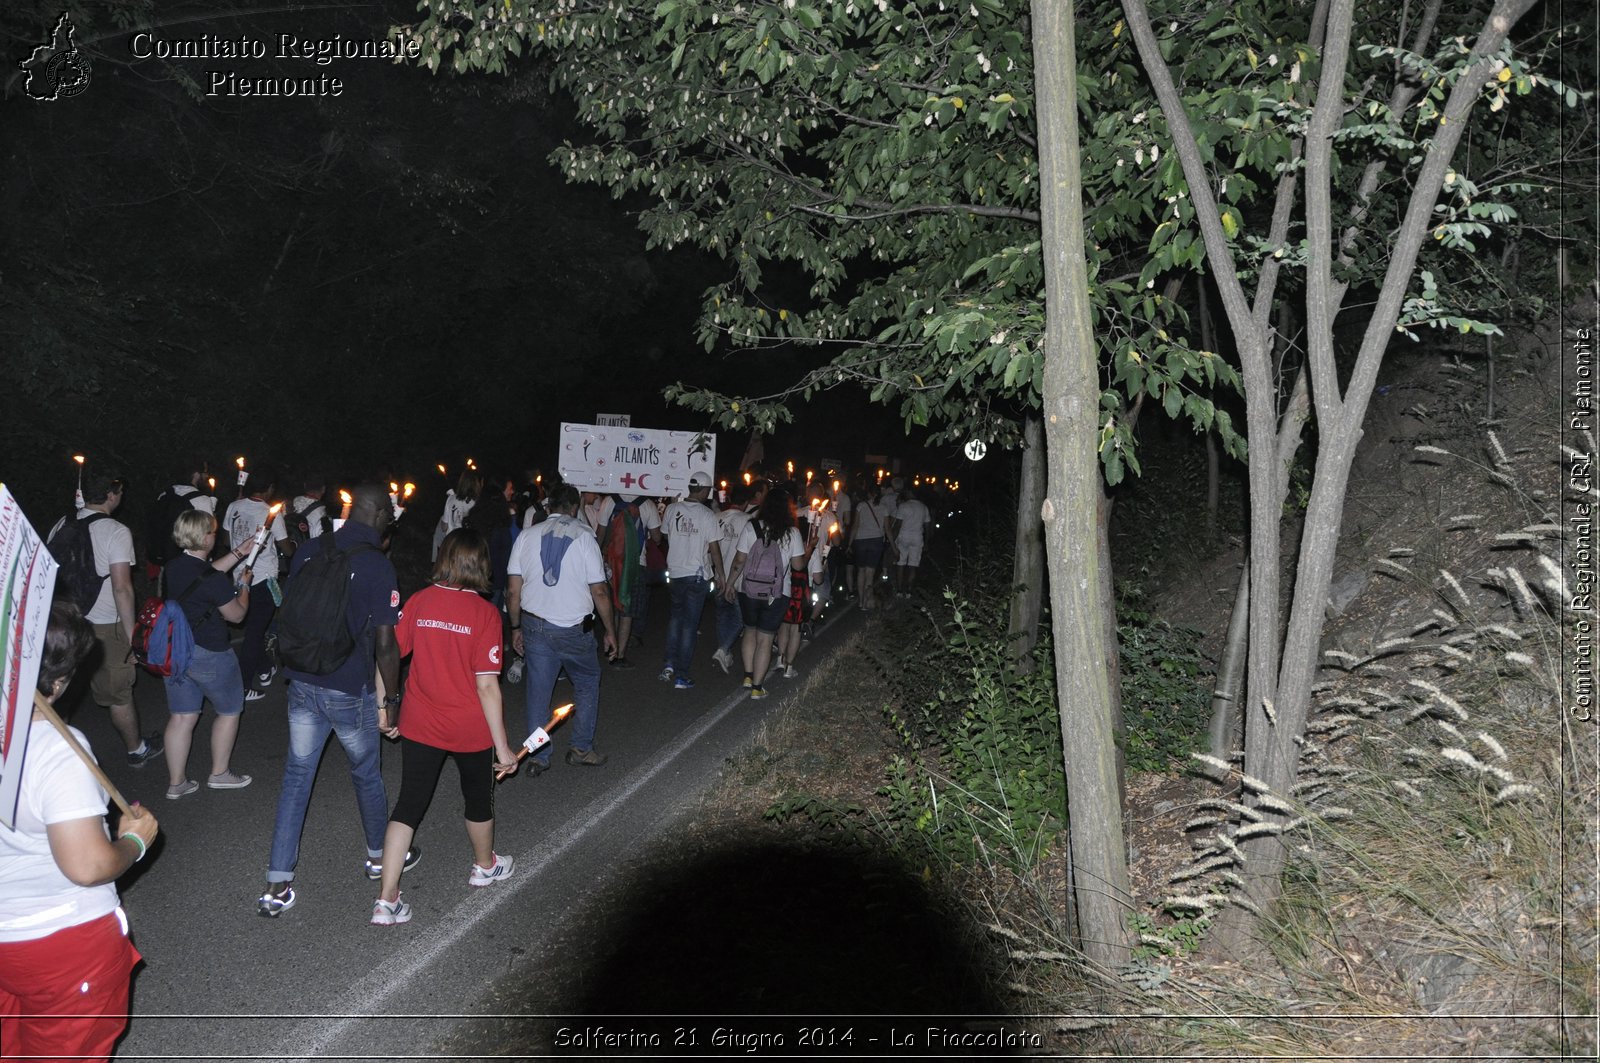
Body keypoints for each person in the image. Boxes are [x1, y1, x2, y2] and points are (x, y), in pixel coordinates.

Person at [0, 602, 160, 1062]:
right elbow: (87, 866)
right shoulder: (56, 749)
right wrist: (134, 840)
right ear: (57, 680)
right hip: (61, 944)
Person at [258, 485, 413, 917]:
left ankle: (277, 884)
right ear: (379, 515)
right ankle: (380, 858)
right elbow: (387, 645)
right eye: (390, 515)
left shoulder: (309, 549)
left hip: (303, 682)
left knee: (296, 778)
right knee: (366, 773)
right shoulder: (378, 566)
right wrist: (393, 700)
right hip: (348, 688)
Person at [371, 529, 519, 925]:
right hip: (469, 728)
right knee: (477, 798)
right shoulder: (486, 614)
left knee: (409, 803)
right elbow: (487, 685)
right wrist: (503, 748)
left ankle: (386, 900)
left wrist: (382, 709)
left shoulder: (420, 601)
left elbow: (387, 654)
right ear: (482, 565)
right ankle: (484, 866)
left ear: (445, 558)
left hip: (421, 721)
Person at [48, 473, 162, 766]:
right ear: (113, 494)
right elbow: (122, 587)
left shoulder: (62, 525)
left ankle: (59, 755)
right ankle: (136, 750)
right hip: (105, 625)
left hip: (65, 622)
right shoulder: (116, 531)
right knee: (118, 694)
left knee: (62, 689)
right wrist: (132, 635)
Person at [505, 483, 617, 775]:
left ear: (550, 505)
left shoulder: (527, 536)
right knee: (587, 681)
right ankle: (580, 748)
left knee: (538, 691)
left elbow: (513, 591)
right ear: (574, 507)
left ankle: (538, 756)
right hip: (573, 629)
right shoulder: (585, 536)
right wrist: (611, 630)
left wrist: (515, 627)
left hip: (535, 625)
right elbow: (600, 592)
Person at [161, 510, 256, 799]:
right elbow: (237, 616)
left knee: (181, 717)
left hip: (176, 651)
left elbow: (205, 573)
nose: (216, 536)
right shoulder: (215, 582)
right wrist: (244, 586)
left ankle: (177, 783)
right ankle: (220, 773)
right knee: (229, 710)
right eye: (213, 532)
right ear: (204, 538)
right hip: (210, 653)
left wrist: (240, 552)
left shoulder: (174, 567)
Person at [723, 488, 809, 700]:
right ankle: (757, 688)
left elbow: (739, 560)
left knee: (749, 631)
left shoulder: (751, 526)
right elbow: (798, 566)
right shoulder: (792, 533)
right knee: (765, 639)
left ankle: (748, 676)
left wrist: (729, 584)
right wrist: (809, 550)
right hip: (778, 593)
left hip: (749, 590)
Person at [221, 466, 287, 701]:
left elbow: (226, 539)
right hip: (263, 581)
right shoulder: (272, 513)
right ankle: (242, 686)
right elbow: (286, 547)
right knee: (254, 634)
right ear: (270, 489)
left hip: (240, 578)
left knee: (253, 629)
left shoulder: (234, 506)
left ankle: (264, 668)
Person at [658, 472, 722, 690]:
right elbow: (714, 548)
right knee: (689, 626)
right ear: (704, 490)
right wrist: (721, 575)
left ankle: (668, 665)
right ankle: (681, 675)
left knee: (675, 619)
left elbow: (666, 536)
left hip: (675, 573)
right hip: (697, 574)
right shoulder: (707, 515)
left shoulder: (672, 509)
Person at [143, 462, 215, 583]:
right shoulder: (201, 500)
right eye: (205, 472)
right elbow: (208, 533)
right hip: (191, 565)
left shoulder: (165, 494)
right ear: (196, 474)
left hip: (165, 560)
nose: (207, 476)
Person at [710, 483, 753, 674]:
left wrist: (716, 574)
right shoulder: (749, 521)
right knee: (740, 618)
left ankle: (724, 652)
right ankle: (723, 649)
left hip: (718, 576)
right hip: (737, 579)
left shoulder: (716, 517)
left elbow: (708, 549)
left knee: (722, 615)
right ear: (746, 502)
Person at [849, 481, 890, 611]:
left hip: (860, 540)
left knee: (861, 570)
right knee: (870, 573)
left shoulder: (861, 506)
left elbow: (855, 526)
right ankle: (868, 601)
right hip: (876, 541)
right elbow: (887, 528)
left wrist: (849, 543)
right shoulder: (884, 508)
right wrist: (893, 546)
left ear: (868, 493)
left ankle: (861, 602)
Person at [889, 487, 933, 598]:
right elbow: (927, 527)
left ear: (910, 493)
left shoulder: (903, 506)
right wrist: (927, 542)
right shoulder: (924, 507)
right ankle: (908, 591)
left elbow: (898, 525)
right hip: (917, 538)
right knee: (913, 565)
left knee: (900, 563)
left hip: (903, 537)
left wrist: (892, 541)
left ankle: (899, 590)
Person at [433, 470, 482, 562]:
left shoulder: (451, 498)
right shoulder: (475, 504)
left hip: (450, 544)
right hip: (465, 547)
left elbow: (444, 526)